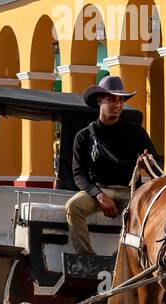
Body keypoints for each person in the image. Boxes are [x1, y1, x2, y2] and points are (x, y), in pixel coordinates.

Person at [66, 75, 159, 255]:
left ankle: (128, 256)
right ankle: (86, 257)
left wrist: (145, 164)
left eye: (121, 100)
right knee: (73, 207)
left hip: (131, 192)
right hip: (100, 190)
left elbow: (156, 166)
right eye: (111, 99)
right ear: (100, 100)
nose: (117, 104)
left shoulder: (137, 133)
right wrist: (99, 196)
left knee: (150, 212)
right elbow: (78, 174)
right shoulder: (84, 136)